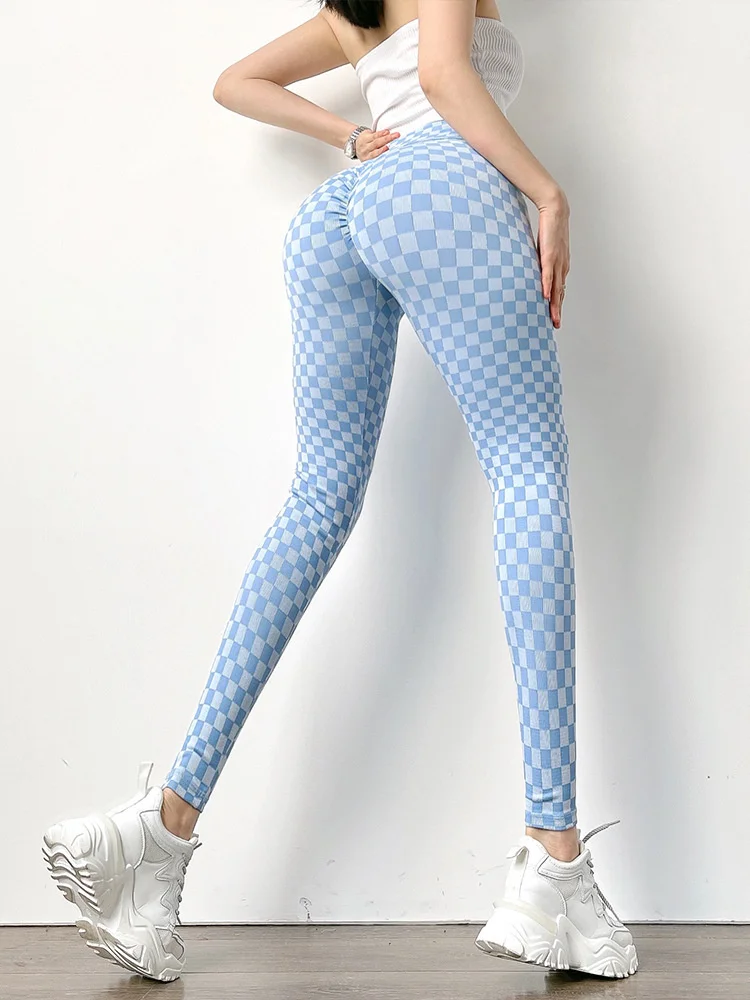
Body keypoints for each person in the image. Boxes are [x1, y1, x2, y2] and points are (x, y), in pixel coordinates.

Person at [42, 0, 639, 982]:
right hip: (444, 186)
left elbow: (236, 81)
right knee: (529, 469)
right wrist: (546, 191)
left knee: (319, 500)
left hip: (341, 212)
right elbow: (445, 76)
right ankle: (553, 857)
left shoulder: (348, 10)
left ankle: (159, 831)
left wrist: (348, 138)